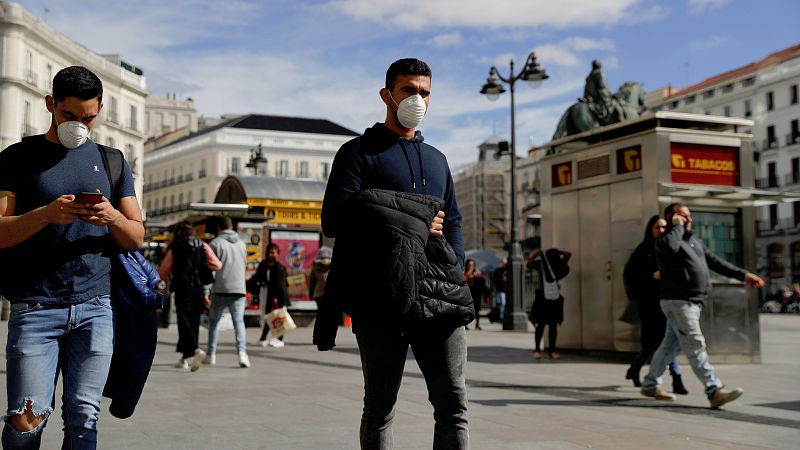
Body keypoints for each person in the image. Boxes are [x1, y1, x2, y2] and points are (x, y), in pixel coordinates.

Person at [316, 58, 470, 449]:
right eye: (409, 90)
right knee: (381, 406)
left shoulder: (438, 159)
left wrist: (454, 266)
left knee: (453, 404)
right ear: (387, 95)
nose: (417, 98)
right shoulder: (357, 153)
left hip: (439, 294)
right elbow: (335, 219)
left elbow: (451, 219)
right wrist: (412, 216)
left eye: (425, 92)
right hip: (380, 295)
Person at [0, 66, 144, 448]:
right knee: (25, 420)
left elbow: (136, 235)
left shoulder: (113, 160)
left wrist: (111, 215)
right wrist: (46, 214)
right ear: (51, 104)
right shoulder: (17, 157)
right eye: (69, 116)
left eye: (89, 118)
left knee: (84, 419)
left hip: (96, 306)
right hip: (35, 307)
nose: (79, 126)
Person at [641, 203, 764, 408]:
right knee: (695, 344)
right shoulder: (666, 240)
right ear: (672, 218)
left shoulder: (694, 242)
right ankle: (713, 390)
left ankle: (650, 384)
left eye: (689, 216)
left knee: (669, 346)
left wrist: (743, 275)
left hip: (692, 302)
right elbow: (670, 247)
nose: (688, 219)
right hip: (678, 302)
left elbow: (716, 262)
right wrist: (677, 226)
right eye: (682, 216)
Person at [622, 215, 687, 395]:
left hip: (670, 301)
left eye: (664, 227)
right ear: (650, 230)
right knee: (652, 345)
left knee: (669, 340)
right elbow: (631, 275)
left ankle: (676, 379)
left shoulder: (670, 247)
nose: (660, 231)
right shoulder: (643, 250)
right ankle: (636, 369)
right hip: (650, 304)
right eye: (657, 227)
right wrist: (651, 276)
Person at [158, 221, 221, 371]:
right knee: (193, 321)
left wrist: (162, 284)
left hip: (182, 287)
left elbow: (163, 270)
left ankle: (195, 350)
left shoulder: (175, 247)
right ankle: (185, 358)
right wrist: (202, 265)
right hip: (198, 287)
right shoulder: (202, 245)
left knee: (183, 319)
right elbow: (217, 265)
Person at [205, 216, 250, 368]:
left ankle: (211, 354)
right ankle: (242, 354)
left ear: (219, 228)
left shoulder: (215, 243)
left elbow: (210, 269)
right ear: (232, 227)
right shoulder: (242, 245)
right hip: (239, 288)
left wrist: (206, 290)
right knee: (239, 322)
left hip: (220, 288)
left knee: (214, 322)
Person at [527, 248, 571, 360]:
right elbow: (568, 254)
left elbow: (529, 264)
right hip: (554, 298)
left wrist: (536, 254)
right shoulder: (559, 264)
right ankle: (552, 351)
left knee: (540, 326)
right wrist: (560, 252)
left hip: (542, 297)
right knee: (553, 326)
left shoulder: (541, 264)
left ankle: (537, 349)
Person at [250, 243, 290, 348]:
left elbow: (280, 283)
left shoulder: (279, 266)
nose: (271, 255)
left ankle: (280, 339)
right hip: (266, 293)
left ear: (278, 254)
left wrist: (275, 297)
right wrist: (261, 282)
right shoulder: (263, 264)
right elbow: (257, 276)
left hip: (277, 296)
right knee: (269, 316)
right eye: (269, 252)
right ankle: (264, 338)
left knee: (279, 317)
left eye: (273, 253)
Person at [464, 259, 488, 330]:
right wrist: (469, 275)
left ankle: (477, 324)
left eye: (472, 265)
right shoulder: (465, 272)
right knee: (467, 309)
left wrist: (477, 276)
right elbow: (463, 279)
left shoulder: (477, 272)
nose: (471, 266)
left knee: (477, 309)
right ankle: (465, 325)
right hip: (468, 293)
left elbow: (482, 282)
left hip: (476, 293)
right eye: (469, 265)